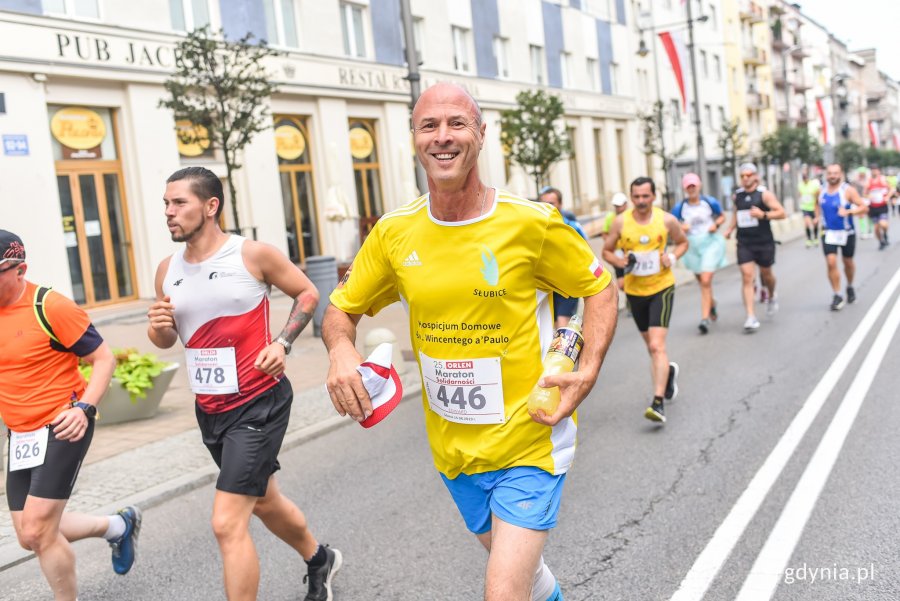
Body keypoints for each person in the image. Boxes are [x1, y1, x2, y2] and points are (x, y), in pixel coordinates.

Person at [323, 82, 618, 601]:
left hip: (530, 440)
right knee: (529, 579)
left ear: (481, 134)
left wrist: (587, 370)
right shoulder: (394, 233)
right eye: (429, 125)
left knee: (503, 592)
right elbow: (341, 309)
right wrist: (341, 350)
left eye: (457, 123)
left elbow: (599, 287)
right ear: (413, 138)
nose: (443, 137)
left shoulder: (531, 224)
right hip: (454, 450)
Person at [146, 167, 341, 601]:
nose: (169, 212)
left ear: (211, 206)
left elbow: (307, 293)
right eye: (165, 204)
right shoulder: (167, 269)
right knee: (265, 501)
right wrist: (158, 326)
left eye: (179, 203)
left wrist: (283, 343)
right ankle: (318, 559)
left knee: (227, 521)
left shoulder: (251, 254)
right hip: (211, 409)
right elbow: (165, 339)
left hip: (259, 401)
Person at [0, 230, 142, 601]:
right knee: (29, 533)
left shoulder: (50, 307)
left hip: (63, 423)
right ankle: (117, 526)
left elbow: (103, 359)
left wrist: (85, 408)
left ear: (20, 269)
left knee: (38, 529)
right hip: (20, 434)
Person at [603, 177, 688, 423]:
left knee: (656, 346)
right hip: (635, 291)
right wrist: (618, 262)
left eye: (645, 196)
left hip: (662, 288)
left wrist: (671, 257)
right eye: (636, 197)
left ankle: (658, 403)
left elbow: (683, 243)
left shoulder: (667, 220)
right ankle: (668, 372)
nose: (641, 201)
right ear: (632, 197)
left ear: (653, 196)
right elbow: (607, 250)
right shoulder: (621, 222)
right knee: (651, 345)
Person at [724, 163, 786, 333]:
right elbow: (737, 214)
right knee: (747, 276)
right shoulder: (738, 196)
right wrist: (730, 229)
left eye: (748, 175)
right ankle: (751, 316)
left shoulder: (764, 194)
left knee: (767, 276)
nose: (745, 178)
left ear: (755, 176)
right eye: (742, 176)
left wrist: (763, 215)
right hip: (744, 242)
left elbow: (782, 212)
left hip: (764, 241)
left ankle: (772, 295)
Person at [671, 173, 726, 334]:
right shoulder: (679, 208)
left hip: (709, 243)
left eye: (694, 186)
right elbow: (672, 227)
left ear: (699, 186)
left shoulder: (709, 202)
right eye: (689, 186)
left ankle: (704, 318)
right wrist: (681, 228)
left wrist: (716, 224)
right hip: (692, 247)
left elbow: (722, 216)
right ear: (685, 189)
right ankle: (712, 303)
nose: (692, 189)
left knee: (706, 279)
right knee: (701, 281)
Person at [815, 164, 868, 310]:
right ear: (826, 174)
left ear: (841, 174)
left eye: (835, 173)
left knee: (848, 262)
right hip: (828, 232)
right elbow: (816, 204)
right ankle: (837, 294)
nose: (832, 176)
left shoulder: (848, 190)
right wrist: (816, 216)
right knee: (831, 262)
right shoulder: (821, 190)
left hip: (846, 232)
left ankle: (850, 286)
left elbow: (863, 207)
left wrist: (849, 212)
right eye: (830, 173)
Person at [538, 186, 589, 328]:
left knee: (562, 325)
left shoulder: (572, 227)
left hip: (567, 285)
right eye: (544, 203)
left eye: (552, 203)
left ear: (560, 204)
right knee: (554, 329)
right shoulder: (534, 228)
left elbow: (586, 253)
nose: (547, 206)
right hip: (546, 287)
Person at [602, 192, 630, 297]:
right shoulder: (610, 217)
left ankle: (632, 300)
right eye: (616, 206)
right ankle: (630, 296)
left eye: (620, 206)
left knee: (633, 277)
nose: (618, 208)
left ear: (625, 204)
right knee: (621, 283)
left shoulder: (631, 215)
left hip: (630, 250)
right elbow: (604, 233)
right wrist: (610, 243)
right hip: (617, 251)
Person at [864, 165, 891, 249]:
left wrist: (887, 197)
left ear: (879, 171)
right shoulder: (868, 181)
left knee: (883, 224)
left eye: (875, 170)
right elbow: (864, 194)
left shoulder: (882, 179)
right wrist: (868, 197)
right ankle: (881, 241)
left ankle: (885, 234)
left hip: (882, 206)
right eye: (872, 170)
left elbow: (892, 189)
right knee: (876, 228)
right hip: (873, 207)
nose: (874, 171)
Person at [798, 169, 821, 247]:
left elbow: (818, 194)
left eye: (806, 178)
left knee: (815, 223)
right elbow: (800, 194)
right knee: (807, 223)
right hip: (805, 207)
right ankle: (808, 239)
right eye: (803, 178)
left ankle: (815, 237)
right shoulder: (800, 185)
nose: (805, 179)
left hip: (813, 207)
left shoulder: (813, 184)